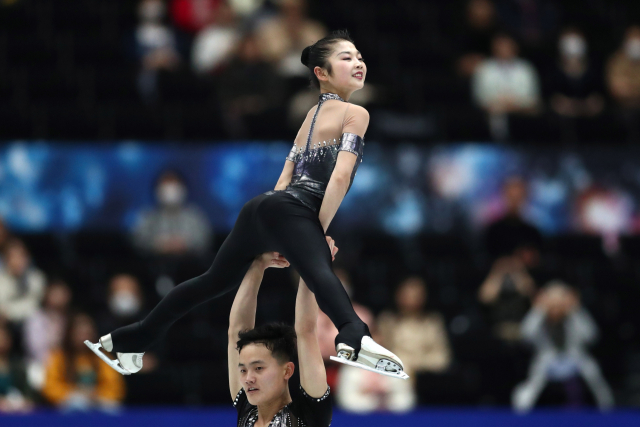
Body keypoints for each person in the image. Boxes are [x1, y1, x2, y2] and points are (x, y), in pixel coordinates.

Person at [87, 30, 406, 380]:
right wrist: (314, 231)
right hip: (291, 209)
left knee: (212, 281)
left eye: (359, 56)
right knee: (319, 269)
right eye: (346, 57)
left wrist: (282, 235)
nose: (358, 62)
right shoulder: (356, 114)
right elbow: (340, 178)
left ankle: (130, 338)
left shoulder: (310, 117)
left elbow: (283, 182)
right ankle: (354, 335)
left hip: (264, 207)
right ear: (321, 73)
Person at [230, 242, 336, 426]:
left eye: (259, 368)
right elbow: (236, 331)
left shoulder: (308, 416)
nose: (248, 379)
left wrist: (312, 262)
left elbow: (306, 330)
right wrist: (258, 264)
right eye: (243, 370)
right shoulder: (247, 413)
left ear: (287, 370)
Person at [512, 281, 614, 412]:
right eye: (552, 303)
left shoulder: (573, 316)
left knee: (592, 372)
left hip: (574, 357)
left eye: (559, 303)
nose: (556, 308)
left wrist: (575, 308)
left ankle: (607, 409)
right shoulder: (540, 317)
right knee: (533, 382)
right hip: (547, 359)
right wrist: (538, 308)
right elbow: (526, 334)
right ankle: (521, 412)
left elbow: (591, 336)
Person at [42, 313, 125, 412]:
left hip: (98, 402)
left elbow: (115, 386)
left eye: (87, 333)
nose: (83, 338)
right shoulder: (58, 357)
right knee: (77, 405)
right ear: (70, 334)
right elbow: (50, 387)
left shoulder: (102, 357)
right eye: (79, 334)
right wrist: (73, 394)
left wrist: (96, 395)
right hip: (69, 403)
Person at [472, 34, 541, 140]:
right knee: (497, 116)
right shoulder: (484, 69)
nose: (504, 49)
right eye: (500, 46)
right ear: (494, 48)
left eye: (507, 46)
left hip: (523, 115)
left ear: (515, 47)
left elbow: (533, 98)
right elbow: (479, 98)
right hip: (493, 115)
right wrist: (500, 105)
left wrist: (513, 105)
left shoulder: (526, 68)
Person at [133, 170, 212, 256]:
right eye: (166, 184)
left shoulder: (195, 215)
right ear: (157, 189)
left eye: (174, 183)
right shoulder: (147, 215)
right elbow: (137, 239)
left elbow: (205, 239)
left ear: (183, 188)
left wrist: (185, 244)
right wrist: (158, 244)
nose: (170, 190)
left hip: (190, 265)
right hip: (154, 264)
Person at [23, 279, 72, 390]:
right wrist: (54, 365)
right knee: (38, 379)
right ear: (46, 295)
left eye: (62, 293)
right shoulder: (36, 318)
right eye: (55, 293)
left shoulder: (70, 319)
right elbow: (35, 348)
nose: (59, 297)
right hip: (41, 364)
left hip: (67, 364)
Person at [0, 239, 46, 325]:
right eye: (14, 257)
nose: (19, 261)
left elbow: (34, 305)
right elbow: (2, 309)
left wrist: (10, 313)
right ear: (6, 259)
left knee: (37, 318)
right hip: (6, 324)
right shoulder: (1, 280)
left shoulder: (36, 278)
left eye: (22, 256)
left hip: (28, 323)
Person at [606, 25, 640, 142]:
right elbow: (617, 90)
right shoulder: (616, 61)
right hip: (622, 108)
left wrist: (629, 89)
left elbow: (626, 89)